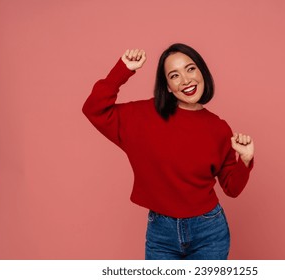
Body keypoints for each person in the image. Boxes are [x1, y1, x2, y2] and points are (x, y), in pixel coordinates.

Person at [82, 43, 255, 260]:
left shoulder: (219, 128)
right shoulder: (142, 117)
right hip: (161, 234)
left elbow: (232, 188)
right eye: (174, 75)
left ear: (202, 71)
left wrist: (245, 161)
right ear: (167, 86)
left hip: (209, 232)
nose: (185, 80)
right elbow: (93, 109)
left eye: (190, 69)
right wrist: (122, 70)